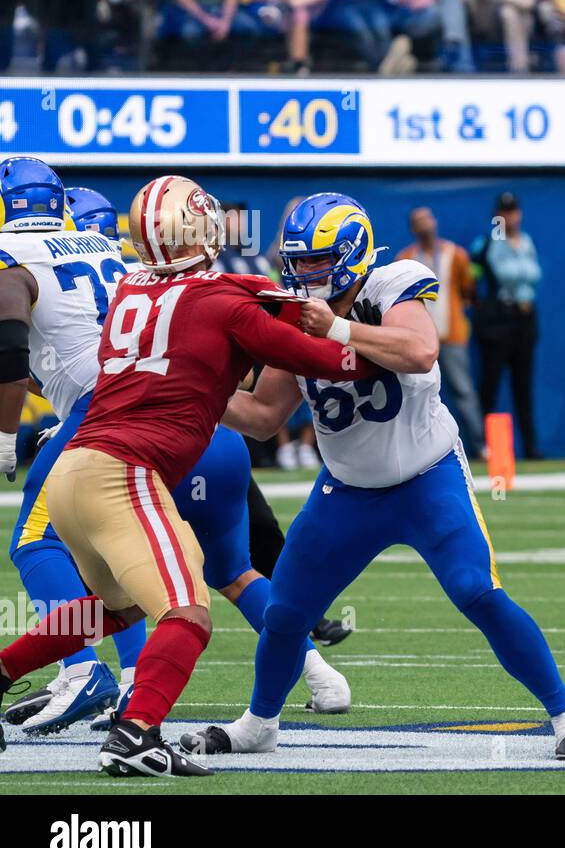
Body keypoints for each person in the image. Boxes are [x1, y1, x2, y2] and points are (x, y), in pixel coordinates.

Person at [181, 192, 565, 762]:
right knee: (284, 613)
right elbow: (262, 417)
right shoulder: (294, 314)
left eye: (314, 261)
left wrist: (338, 331)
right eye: (295, 262)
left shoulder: (392, 283)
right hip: (346, 490)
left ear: (351, 255)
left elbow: (421, 351)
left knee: (476, 591)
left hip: (427, 478)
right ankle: (260, 724)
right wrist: (199, 390)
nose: (301, 274)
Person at [0, 174, 378, 774]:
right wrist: (357, 332)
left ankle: (1, 671)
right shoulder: (224, 299)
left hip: (71, 466)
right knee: (187, 612)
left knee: (112, 610)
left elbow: (195, 308)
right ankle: (136, 733)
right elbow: (335, 362)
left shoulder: (128, 288)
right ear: (199, 227)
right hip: (125, 473)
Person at [0, 164, 145, 736]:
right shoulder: (101, 244)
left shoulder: (11, 252)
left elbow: (11, 353)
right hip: (147, 398)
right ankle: (133, 675)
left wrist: (5, 437)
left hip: (100, 410)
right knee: (105, 552)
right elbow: (52, 354)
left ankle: (80, 667)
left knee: (35, 542)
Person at [396, 207, 484, 456]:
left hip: (451, 335)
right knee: (413, 392)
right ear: (413, 228)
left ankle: (479, 446)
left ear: (435, 221)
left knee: (463, 390)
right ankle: (412, 450)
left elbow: (468, 289)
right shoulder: (405, 259)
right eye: (418, 222)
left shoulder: (456, 254)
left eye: (427, 219)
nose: (424, 225)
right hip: (417, 339)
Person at [471, 192, 543, 459]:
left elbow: (533, 276)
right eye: (504, 211)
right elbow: (473, 281)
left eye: (513, 211)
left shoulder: (526, 242)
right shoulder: (486, 244)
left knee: (523, 384)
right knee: (490, 383)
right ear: (496, 216)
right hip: (498, 320)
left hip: (525, 318)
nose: (509, 216)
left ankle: (530, 447)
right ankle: (486, 448)